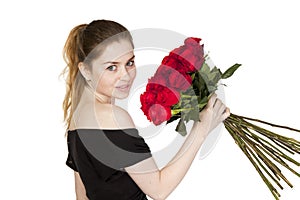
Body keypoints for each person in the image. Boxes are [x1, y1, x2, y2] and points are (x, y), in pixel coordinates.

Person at [62, 19, 230, 200]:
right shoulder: (113, 117)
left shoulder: (77, 117)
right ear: (86, 70)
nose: (125, 75)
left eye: (130, 63)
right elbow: (158, 190)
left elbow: (82, 196)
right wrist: (202, 129)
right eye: (112, 67)